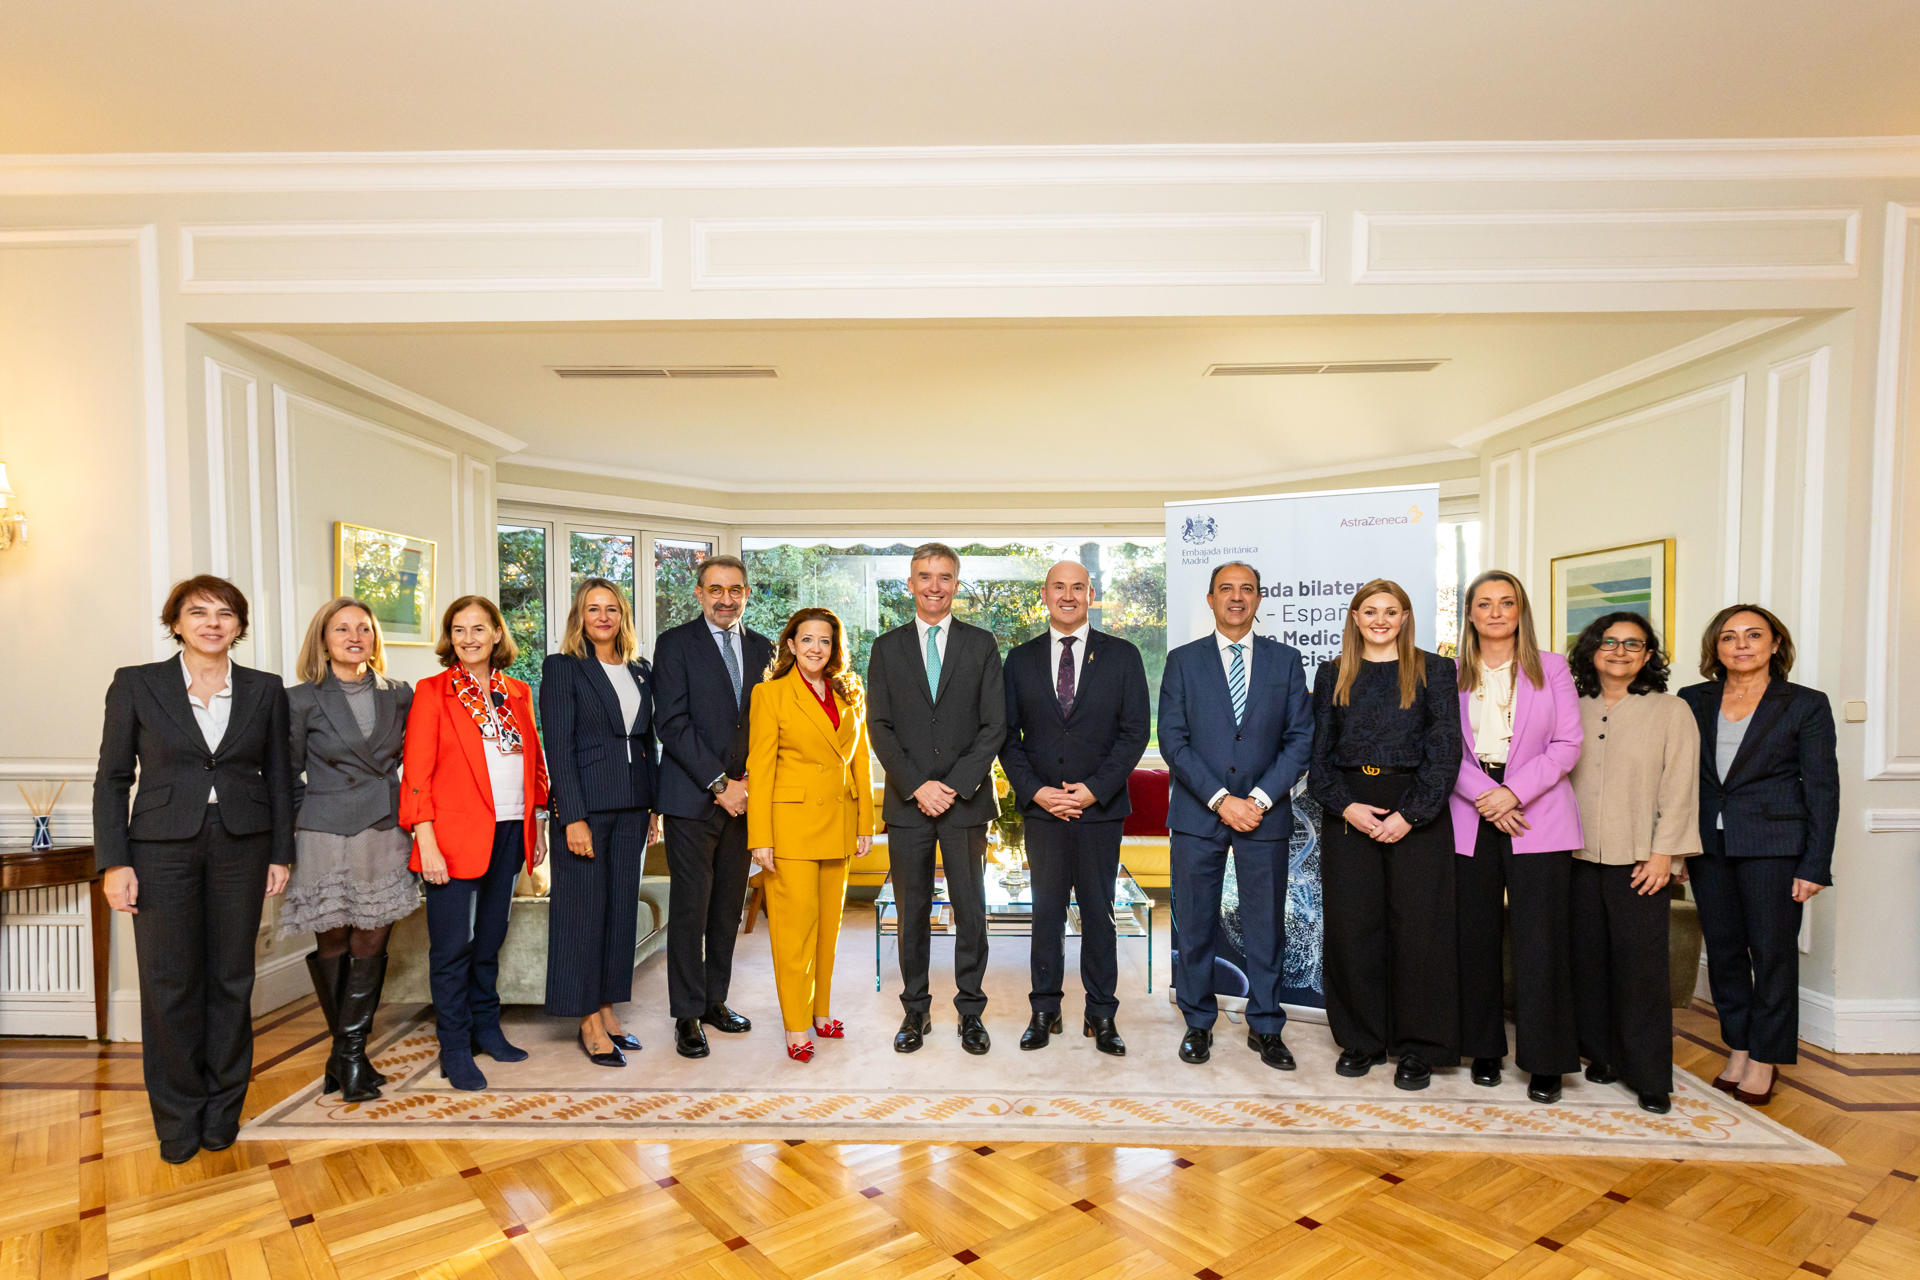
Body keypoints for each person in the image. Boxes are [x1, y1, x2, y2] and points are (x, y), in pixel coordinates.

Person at [93, 575, 293, 1164]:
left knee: (232, 981)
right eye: (198, 612)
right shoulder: (136, 684)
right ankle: (177, 1118)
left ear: (239, 626)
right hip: (158, 849)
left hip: (242, 846)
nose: (212, 622)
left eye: (225, 613)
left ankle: (221, 1111)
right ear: (175, 622)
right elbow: (111, 779)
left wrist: (281, 853)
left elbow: (280, 778)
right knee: (168, 984)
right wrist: (115, 863)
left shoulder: (265, 689)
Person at [1679, 604, 1838, 1106]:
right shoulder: (1692, 699)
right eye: (1729, 637)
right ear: (1716, 648)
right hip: (1709, 844)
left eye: (1753, 635)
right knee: (1723, 952)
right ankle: (1740, 1045)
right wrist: (1677, 844)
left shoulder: (1805, 704)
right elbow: (1681, 778)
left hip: (1775, 848)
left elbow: (1822, 789)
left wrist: (1815, 864)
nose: (1741, 644)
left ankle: (1766, 1057)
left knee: (1770, 953)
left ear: (1775, 644)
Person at [1158, 561, 1312, 1070]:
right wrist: (1222, 800)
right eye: (1227, 589)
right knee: (1197, 923)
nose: (1237, 597)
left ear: (1260, 599)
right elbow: (1173, 742)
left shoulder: (1286, 662)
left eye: (1247, 589)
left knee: (1266, 925)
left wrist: (1261, 799)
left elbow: (1300, 740)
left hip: (1265, 816)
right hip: (1199, 814)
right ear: (1210, 599)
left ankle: (1266, 1025)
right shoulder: (1182, 661)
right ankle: (1198, 1022)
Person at [1308, 579, 1461, 1091]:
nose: (1379, 619)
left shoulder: (1435, 670)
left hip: (1416, 808)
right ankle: (1363, 1040)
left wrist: (1410, 815)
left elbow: (1445, 750)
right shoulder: (1332, 673)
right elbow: (1318, 758)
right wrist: (1347, 807)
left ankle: (1419, 1047)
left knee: (1420, 931)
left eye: (1390, 611)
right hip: (1349, 810)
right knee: (1354, 930)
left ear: (1405, 617)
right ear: (1354, 617)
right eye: (1369, 611)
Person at [1000, 561, 1151, 1056]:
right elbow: (1007, 737)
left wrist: (1092, 789)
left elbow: (1135, 733)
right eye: (1058, 587)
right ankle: (1044, 1010)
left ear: (1091, 594)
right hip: (1043, 809)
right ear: (1044, 595)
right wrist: (1037, 792)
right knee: (1045, 912)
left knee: (1098, 912)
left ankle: (1101, 1013)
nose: (1068, 596)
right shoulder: (1019, 660)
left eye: (1077, 588)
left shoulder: (1123, 656)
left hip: (1099, 809)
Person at [400, 595, 549, 1091]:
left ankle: (487, 1028)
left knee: (489, 942)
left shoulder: (518, 692)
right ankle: (455, 1046)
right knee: (451, 949)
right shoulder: (432, 691)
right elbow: (416, 775)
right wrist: (428, 843)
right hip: (451, 838)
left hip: (510, 831)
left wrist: (539, 826)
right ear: (450, 638)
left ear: (497, 635)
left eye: (479, 629)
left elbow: (535, 763)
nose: (469, 638)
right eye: (459, 629)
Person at [867, 541, 1008, 1055]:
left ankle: (971, 1012)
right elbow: (878, 726)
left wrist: (953, 785)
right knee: (912, 912)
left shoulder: (982, 644)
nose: (934, 585)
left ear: (956, 584)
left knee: (971, 911)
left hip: (965, 802)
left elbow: (995, 725)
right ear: (910, 584)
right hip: (908, 804)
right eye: (924, 576)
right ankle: (915, 1011)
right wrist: (916, 785)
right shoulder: (886, 648)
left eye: (944, 576)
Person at [1452, 569, 1584, 1104]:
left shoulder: (1551, 667)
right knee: (1474, 936)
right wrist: (1487, 794)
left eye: (1507, 602)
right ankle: (1483, 1048)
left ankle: (1546, 1058)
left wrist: (1513, 793)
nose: (1496, 612)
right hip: (1469, 811)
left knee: (1542, 941)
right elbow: (1441, 749)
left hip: (1539, 815)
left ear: (1520, 610)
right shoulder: (1450, 671)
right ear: (1471, 614)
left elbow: (1568, 742)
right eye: (1485, 603)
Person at [283, 596, 415, 1104]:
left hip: (383, 826)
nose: (354, 636)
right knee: (333, 941)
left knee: (372, 941)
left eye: (364, 628)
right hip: (324, 830)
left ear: (374, 638)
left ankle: (348, 1054)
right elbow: (286, 772)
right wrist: (306, 816)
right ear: (324, 639)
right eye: (342, 629)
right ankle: (351, 1056)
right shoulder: (300, 699)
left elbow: (419, 757)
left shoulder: (400, 694)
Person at [1566, 612, 1700, 1114]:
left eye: (1633, 644)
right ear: (1591, 651)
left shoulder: (1671, 711)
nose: (1620, 652)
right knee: (1588, 962)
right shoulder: (1570, 707)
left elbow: (1681, 786)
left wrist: (1666, 852)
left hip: (1642, 861)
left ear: (1648, 656)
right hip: (1574, 856)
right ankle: (1600, 1056)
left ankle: (1648, 1075)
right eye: (1609, 642)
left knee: (1642, 970)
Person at [652, 554, 772, 1058]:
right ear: (699, 594)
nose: (726, 599)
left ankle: (714, 1001)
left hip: (745, 802)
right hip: (693, 799)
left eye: (736, 590)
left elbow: (766, 725)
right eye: (716, 590)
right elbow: (672, 723)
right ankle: (685, 1014)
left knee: (727, 908)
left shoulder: (765, 647)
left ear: (747, 594)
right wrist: (721, 783)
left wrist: (748, 786)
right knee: (690, 910)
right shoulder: (675, 645)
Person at [746, 608, 875, 1061]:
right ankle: (796, 1025)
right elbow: (759, 771)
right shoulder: (770, 694)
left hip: (838, 827)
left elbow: (860, 762)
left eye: (825, 640)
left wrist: (864, 825)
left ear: (834, 648)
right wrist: (760, 836)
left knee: (828, 932)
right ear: (791, 645)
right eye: (807, 639)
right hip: (791, 830)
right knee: (793, 934)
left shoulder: (849, 694)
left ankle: (821, 1012)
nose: (816, 648)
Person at [540, 578, 657, 1068]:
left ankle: (608, 1008)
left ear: (622, 616)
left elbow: (647, 741)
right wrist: (572, 817)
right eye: (593, 609)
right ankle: (586, 1018)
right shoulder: (564, 668)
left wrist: (652, 806)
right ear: (580, 617)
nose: (603, 617)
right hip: (585, 808)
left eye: (612, 608)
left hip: (632, 808)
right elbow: (558, 748)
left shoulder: (639, 670)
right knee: (582, 915)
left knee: (617, 914)